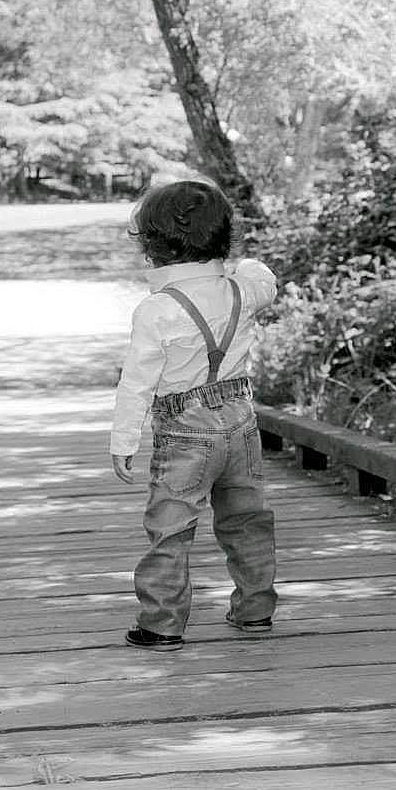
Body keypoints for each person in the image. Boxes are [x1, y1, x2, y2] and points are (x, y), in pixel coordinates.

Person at [111, 179, 278, 650]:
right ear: (223, 237)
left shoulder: (157, 308)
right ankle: (255, 609)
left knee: (171, 526)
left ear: (151, 245)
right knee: (247, 519)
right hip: (241, 421)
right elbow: (266, 278)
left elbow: (136, 383)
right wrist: (241, 258)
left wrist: (125, 441)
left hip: (186, 430)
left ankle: (162, 623)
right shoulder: (243, 290)